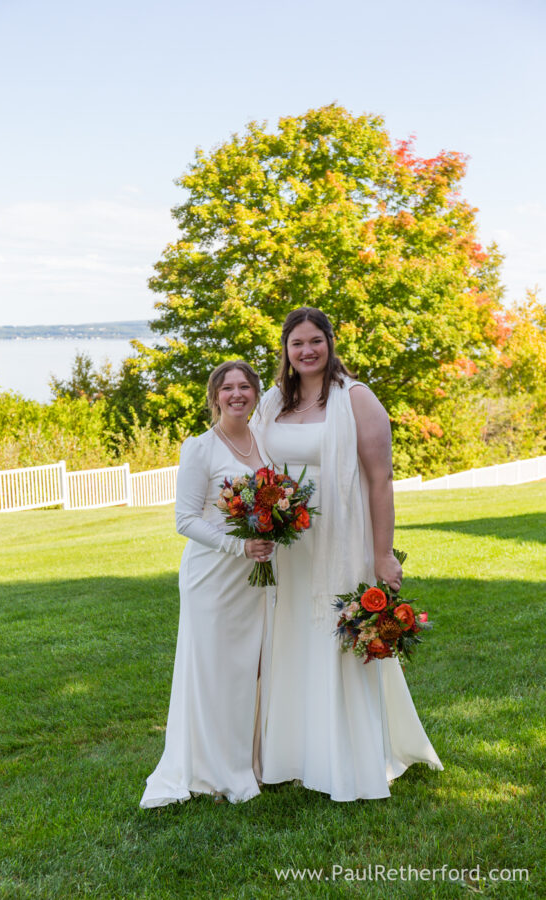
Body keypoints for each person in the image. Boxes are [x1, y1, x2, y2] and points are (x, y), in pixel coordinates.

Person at [254, 307, 442, 801]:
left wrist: (383, 555)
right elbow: (254, 464)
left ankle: (348, 757)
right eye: (297, 343)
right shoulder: (273, 401)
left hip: (341, 538)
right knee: (290, 635)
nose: (307, 350)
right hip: (289, 546)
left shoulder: (357, 399)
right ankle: (292, 754)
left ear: (330, 343)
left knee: (335, 638)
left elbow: (380, 480)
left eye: (315, 340)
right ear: (286, 351)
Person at [140, 360, 272, 807]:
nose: (237, 394)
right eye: (227, 388)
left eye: (245, 387)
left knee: (250, 670)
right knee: (215, 671)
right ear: (215, 396)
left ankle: (251, 761)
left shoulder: (263, 442)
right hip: (212, 577)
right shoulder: (200, 447)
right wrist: (240, 548)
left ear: (256, 393)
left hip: (257, 580)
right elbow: (185, 520)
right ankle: (213, 773)